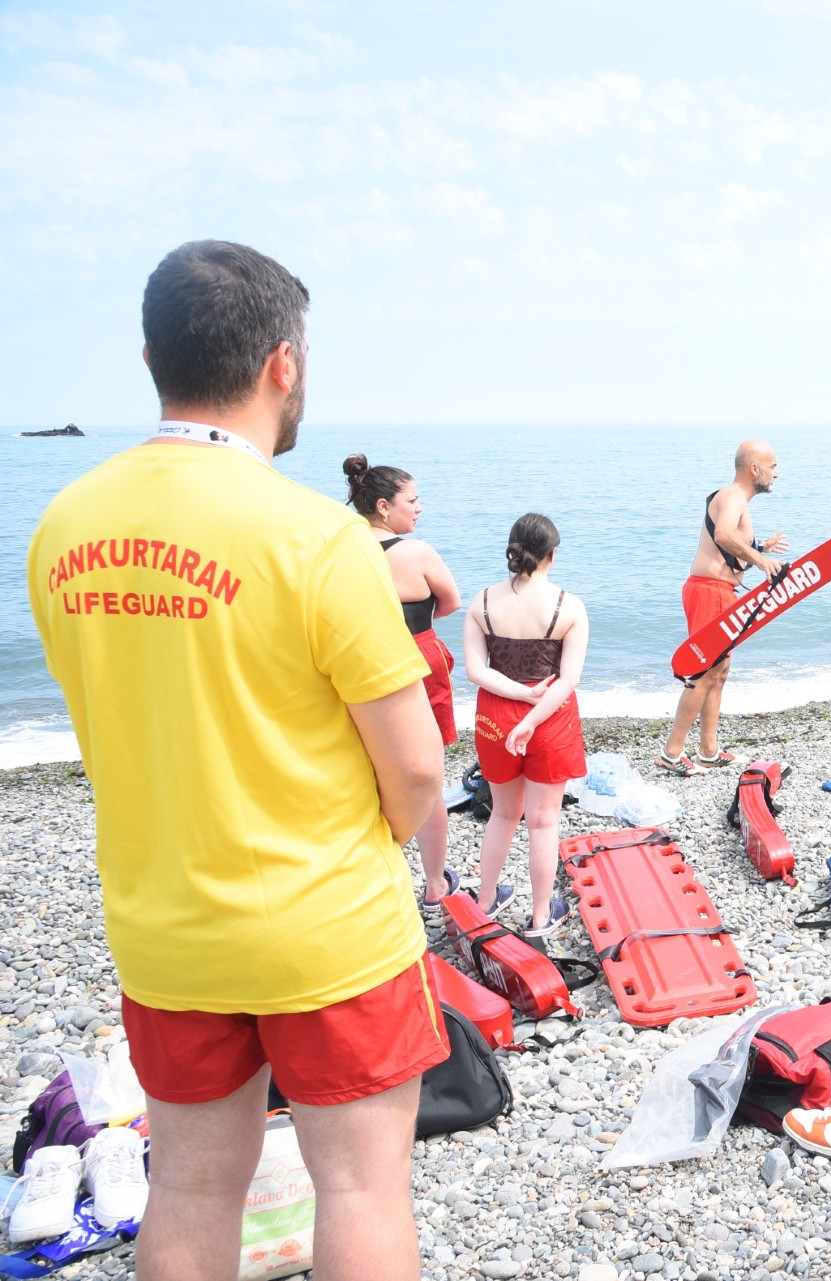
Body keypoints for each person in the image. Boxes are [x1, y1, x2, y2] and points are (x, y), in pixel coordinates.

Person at [27, 240, 446, 1280]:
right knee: (361, 1188)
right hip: (329, 927)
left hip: (166, 921)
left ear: (150, 358)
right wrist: (378, 841)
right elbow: (417, 770)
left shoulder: (65, 526)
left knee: (190, 1188)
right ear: (282, 363)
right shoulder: (319, 539)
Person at [344, 454, 463, 908]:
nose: (419, 508)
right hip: (417, 656)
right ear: (383, 506)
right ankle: (435, 884)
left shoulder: (342, 548)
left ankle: (371, 876)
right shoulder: (415, 552)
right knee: (426, 772)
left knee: (369, 769)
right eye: (412, 501)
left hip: (361, 660)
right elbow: (450, 603)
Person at [463, 513, 589, 939]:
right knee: (543, 821)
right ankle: (539, 917)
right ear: (552, 555)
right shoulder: (569, 606)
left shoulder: (481, 602)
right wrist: (532, 713)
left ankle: (484, 902)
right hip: (550, 716)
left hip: (495, 715)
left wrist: (518, 695)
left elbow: (476, 671)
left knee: (502, 813)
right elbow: (567, 680)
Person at [658, 441, 789, 775]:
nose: (776, 473)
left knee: (719, 672)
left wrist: (760, 547)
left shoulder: (736, 499)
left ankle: (708, 750)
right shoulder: (732, 496)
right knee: (703, 673)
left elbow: (729, 544)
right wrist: (761, 560)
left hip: (718, 591)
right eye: (773, 466)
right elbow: (723, 535)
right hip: (709, 591)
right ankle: (672, 753)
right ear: (754, 468)